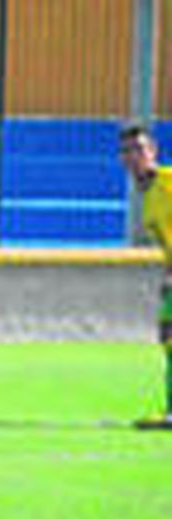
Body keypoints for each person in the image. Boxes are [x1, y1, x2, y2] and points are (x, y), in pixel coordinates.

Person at [118, 124, 172, 430]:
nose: (133, 156)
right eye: (127, 151)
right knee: (167, 336)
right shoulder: (148, 199)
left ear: (153, 152)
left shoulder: (168, 181)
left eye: (139, 149)